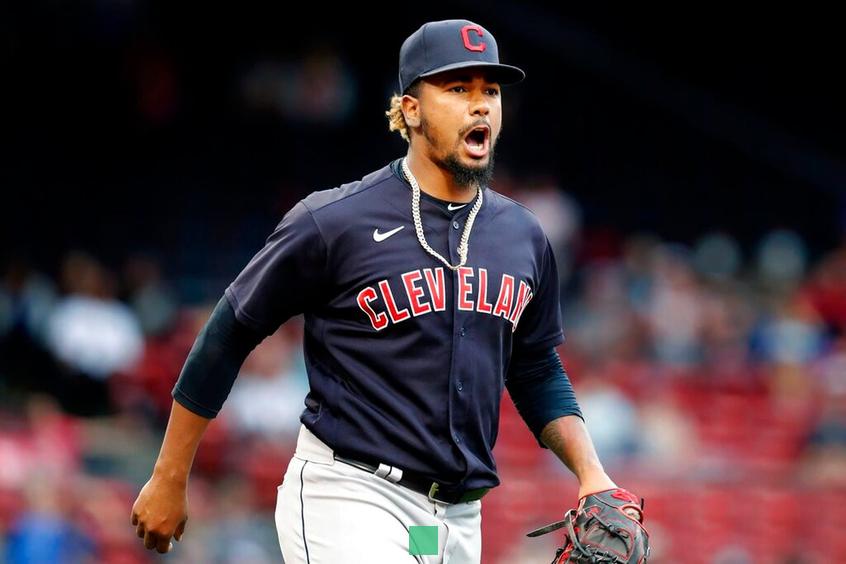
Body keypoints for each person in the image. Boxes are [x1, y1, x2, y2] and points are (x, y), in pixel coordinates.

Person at [131, 19, 624, 563]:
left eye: (490, 91)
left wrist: (592, 474)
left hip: (456, 518)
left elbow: (534, 367)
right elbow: (227, 335)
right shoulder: (334, 221)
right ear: (410, 110)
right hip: (351, 493)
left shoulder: (523, 236)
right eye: (458, 89)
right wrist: (169, 477)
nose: (480, 105)